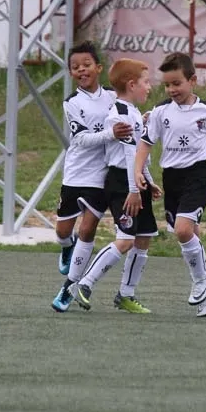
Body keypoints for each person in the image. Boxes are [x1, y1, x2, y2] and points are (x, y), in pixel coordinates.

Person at [133, 52, 206, 318]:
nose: (172, 89)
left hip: (198, 176)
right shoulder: (160, 112)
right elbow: (145, 143)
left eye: (177, 83)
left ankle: (201, 282)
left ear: (192, 81)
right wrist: (137, 171)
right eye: (167, 85)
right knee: (190, 232)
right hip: (172, 178)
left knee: (183, 230)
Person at [70, 58, 161, 314]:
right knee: (125, 239)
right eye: (145, 82)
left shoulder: (133, 112)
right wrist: (133, 190)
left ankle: (126, 294)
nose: (149, 87)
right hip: (122, 183)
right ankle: (83, 284)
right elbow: (129, 155)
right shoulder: (120, 114)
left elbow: (140, 154)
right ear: (132, 85)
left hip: (135, 181)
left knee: (143, 238)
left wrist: (148, 181)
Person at [51, 41, 132, 313]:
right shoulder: (72, 102)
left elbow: (129, 115)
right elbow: (82, 139)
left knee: (87, 229)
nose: (81, 70)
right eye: (75, 67)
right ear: (70, 72)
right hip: (76, 174)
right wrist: (111, 134)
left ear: (98, 68)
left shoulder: (113, 97)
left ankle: (69, 287)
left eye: (86, 65)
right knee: (63, 231)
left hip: (101, 175)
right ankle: (67, 247)